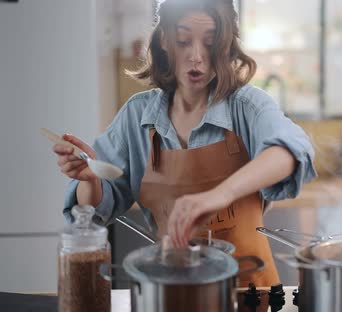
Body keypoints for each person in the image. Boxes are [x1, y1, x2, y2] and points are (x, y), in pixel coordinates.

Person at [52, 0, 316, 286]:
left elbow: (291, 150)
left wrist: (219, 195)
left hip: (248, 293)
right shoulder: (137, 116)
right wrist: (90, 179)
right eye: (183, 41)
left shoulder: (247, 107)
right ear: (164, 40)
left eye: (211, 43)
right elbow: (93, 212)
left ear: (226, 46)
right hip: (174, 291)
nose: (197, 57)